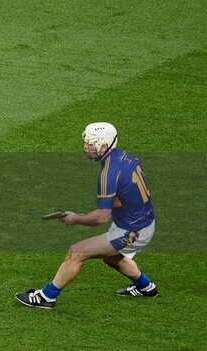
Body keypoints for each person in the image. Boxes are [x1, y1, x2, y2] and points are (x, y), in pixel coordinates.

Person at [16, 122, 158, 309]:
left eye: (91, 144)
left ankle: (46, 297)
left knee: (76, 252)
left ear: (104, 146)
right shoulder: (125, 156)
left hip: (133, 230)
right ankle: (145, 287)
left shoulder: (108, 173)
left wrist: (76, 218)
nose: (86, 147)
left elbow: (101, 217)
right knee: (111, 256)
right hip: (142, 222)